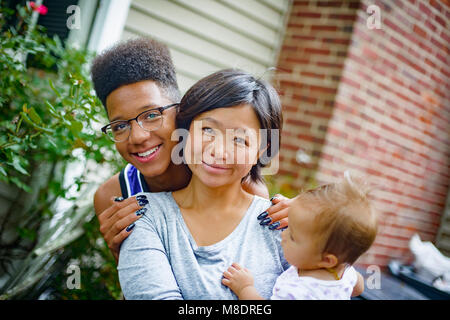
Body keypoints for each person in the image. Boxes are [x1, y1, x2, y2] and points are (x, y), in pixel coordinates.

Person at [90, 38, 290, 262]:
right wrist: (122, 253)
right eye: (120, 126)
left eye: (152, 115)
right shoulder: (114, 196)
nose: (137, 136)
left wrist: (304, 224)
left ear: (181, 111)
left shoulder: (239, 184)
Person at [117, 69, 289, 299]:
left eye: (239, 139)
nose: (218, 151)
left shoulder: (281, 224)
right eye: (207, 130)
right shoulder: (145, 216)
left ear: (262, 151)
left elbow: (339, 285)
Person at [222, 172, 377, 300]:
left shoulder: (298, 291)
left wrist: (245, 288)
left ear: (327, 259)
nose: (283, 235)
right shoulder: (343, 271)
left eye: (294, 237)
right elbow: (359, 286)